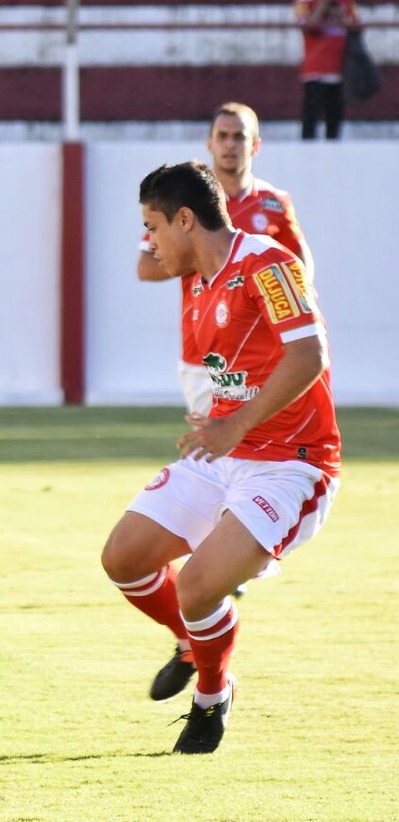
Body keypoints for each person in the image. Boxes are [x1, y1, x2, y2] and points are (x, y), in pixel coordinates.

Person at [104, 160, 340, 754]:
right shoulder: (198, 281)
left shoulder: (267, 262)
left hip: (293, 462)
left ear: (186, 220)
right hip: (226, 452)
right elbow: (241, 367)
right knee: (123, 558)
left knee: (198, 590)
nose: (150, 243)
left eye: (152, 227)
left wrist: (234, 423)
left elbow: (308, 355)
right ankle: (195, 645)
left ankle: (211, 695)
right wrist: (222, 416)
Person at [137, 101, 315, 661]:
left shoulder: (268, 219)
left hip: (280, 426)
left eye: (241, 135)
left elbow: (301, 287)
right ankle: (201, 622)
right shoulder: (192, 202)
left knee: (197, 581)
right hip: (208, 361)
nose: (232, 144)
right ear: (211, 144)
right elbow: (149, 264)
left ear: (254, 145)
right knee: (127, 556)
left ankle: (218, 586)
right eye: (223, 135)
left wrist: (293, 306)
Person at [295, 0, 363, 140]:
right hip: (315, 70)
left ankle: (334, 152)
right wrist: (323, 5)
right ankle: (306, 154)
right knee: (311, 116)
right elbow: (307, 26)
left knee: (335, 117)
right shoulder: (303, 2)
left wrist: (341, 16)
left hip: (340, 69)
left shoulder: (348, 2)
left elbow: (358, 27)